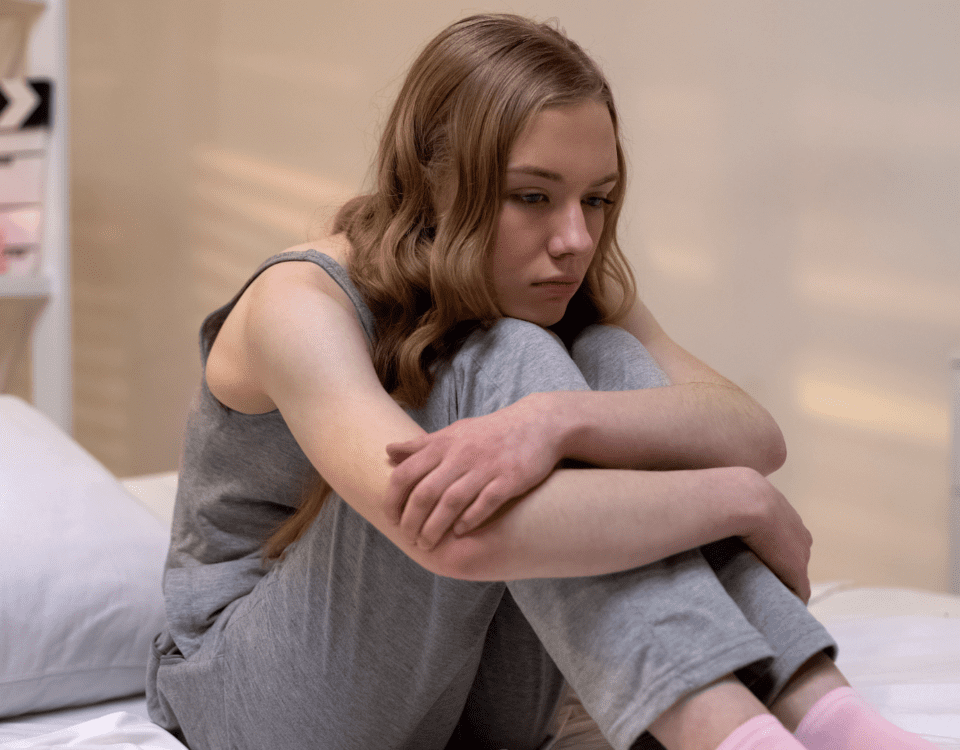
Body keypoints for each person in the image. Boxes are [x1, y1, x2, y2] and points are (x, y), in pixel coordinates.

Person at [146, 13, 937, 750]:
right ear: (433, 182)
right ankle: (734, 737)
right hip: (256, 688)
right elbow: (451, 534)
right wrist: (740, 499)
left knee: (614, 373)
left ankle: (834, 722)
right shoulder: (300, 304)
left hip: (456, 685)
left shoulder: (567, 283)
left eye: (596, 200)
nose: (575, 239)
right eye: (533, 196)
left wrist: (559, 421)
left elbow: (751, 431)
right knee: (509, 355)